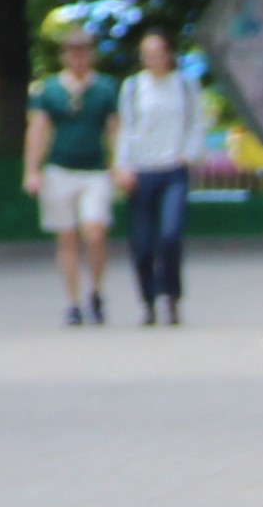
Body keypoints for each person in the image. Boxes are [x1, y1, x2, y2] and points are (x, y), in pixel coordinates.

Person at [24, 25, 122, 325]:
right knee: (66, 237)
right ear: (65, 56)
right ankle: (73, 301)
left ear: (90, 56)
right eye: (73, 53)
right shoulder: (50, 90)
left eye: (84, 53)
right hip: (59, 169)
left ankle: (96, 290)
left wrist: (118, 164)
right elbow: (38, 130)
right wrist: (32, 170)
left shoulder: (104, 88)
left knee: (94, 232)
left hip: (94, 170)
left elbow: (115, 129)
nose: (79, 59)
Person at [116, 27, 203, 326]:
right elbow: (126, 129)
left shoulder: (184, 86)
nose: (154, 59)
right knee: (142, 245)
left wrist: (188, 154)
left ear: (169, 55)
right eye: (148, 54)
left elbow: (196, 122)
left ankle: (172, 295)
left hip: (173, 169)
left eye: (158, 53)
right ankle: (148, 300)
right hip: (142, 170)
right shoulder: (133, 87)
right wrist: (123, 165)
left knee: (170, 235)